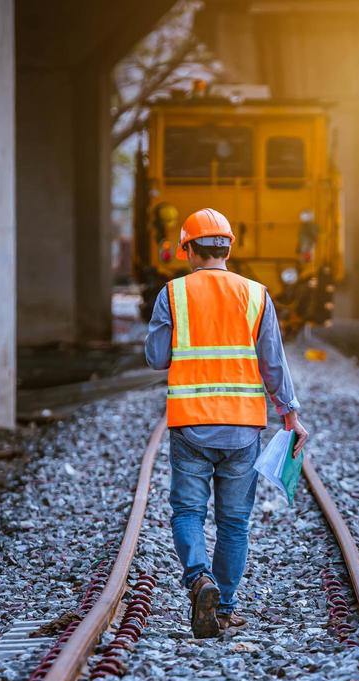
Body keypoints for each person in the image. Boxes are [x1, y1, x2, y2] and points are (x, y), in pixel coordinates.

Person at [144, 208, 310, 638]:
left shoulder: (173, 294)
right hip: (242, 429)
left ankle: (200, 580)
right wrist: (290, 414)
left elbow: (156, 358)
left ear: (188, 251)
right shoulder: (256, 294)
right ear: (229, 248)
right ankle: (226, 607)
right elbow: (273, 363)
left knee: (187, 512)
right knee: (234, 522)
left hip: (191, 426)